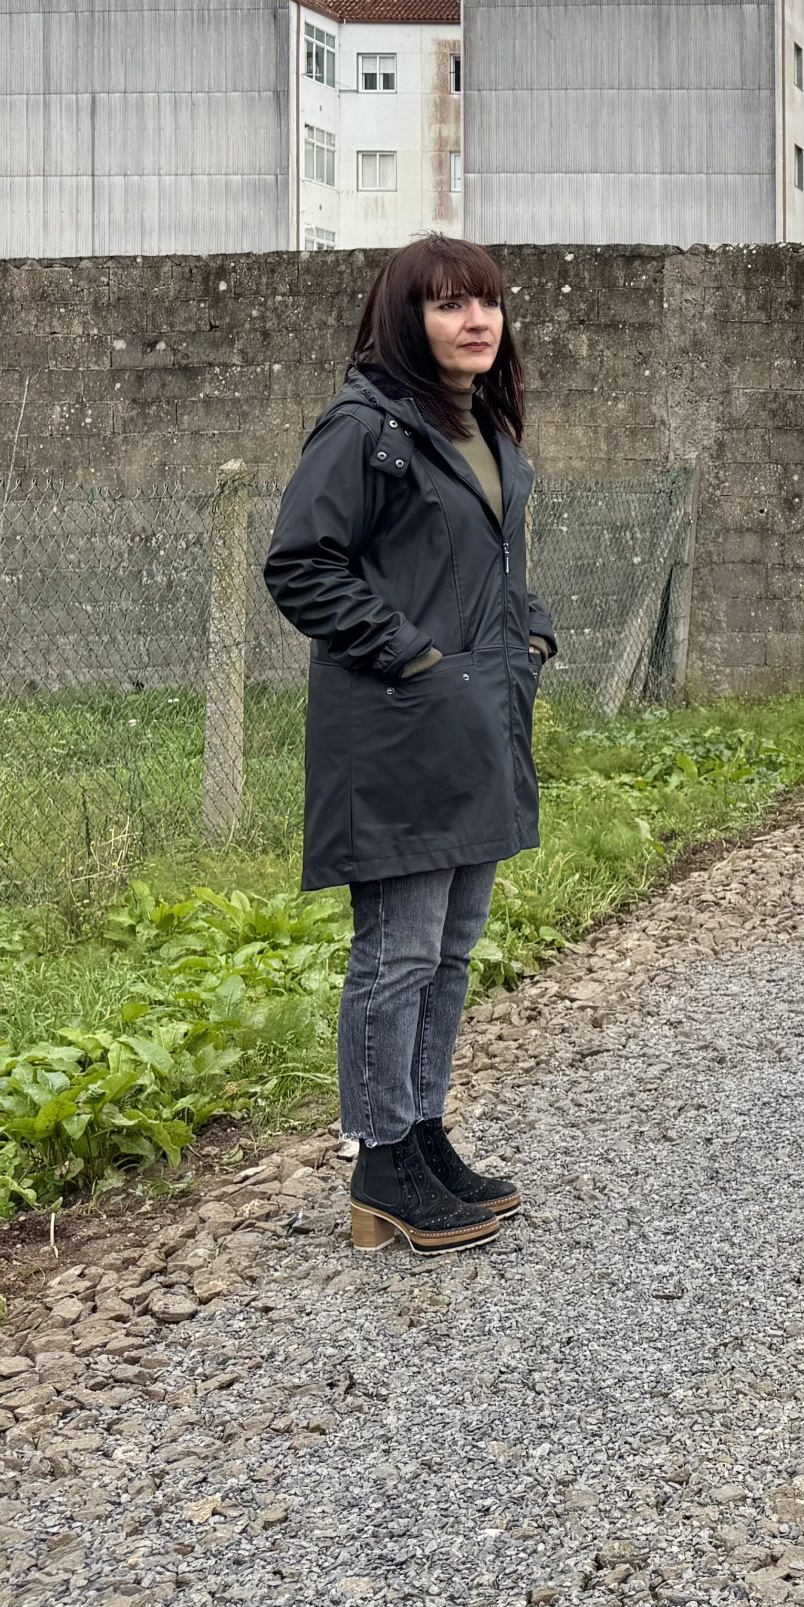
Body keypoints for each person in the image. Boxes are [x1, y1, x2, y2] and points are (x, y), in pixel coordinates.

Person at [263, 235, 557, 1256]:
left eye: (486, 303)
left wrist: (531, 636)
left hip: (478, 724)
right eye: (447, 306)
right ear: (405, 320)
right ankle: (381, 1161)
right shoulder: (366, 429)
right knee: (398, 953)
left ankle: (423, 1136)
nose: (476, 321)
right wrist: (415, 658)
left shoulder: (482, 430)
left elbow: (495, 566)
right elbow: (301, 562)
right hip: (398, 729)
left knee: (452, 948)